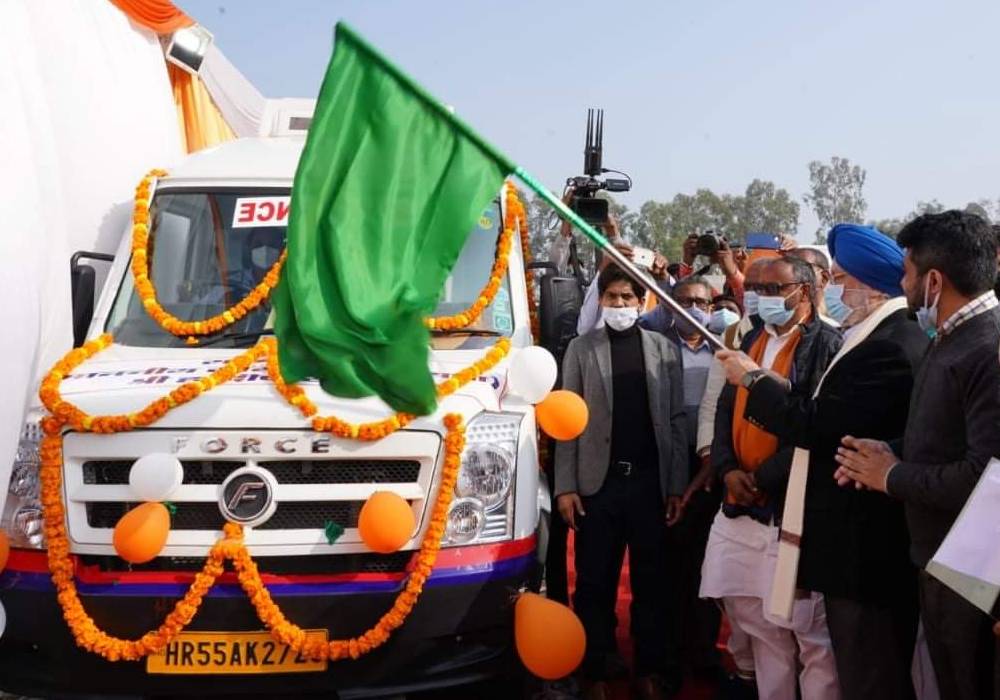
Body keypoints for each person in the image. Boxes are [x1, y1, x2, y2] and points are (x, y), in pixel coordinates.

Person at [717, 223, 928, 699]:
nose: (832, 289)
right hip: (853, 548)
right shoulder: (875, 336)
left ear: (868, 286)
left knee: (869, 674)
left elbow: (818, 424)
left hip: (864, 552)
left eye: (838, 279)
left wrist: (753, 381)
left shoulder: (890, 346)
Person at [833, 210, 1000, 700]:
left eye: (904, 272)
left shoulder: (987, 349)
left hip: (975, 570)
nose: (900, 283)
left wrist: (892, 476)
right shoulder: (949, 335)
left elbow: (985, 477)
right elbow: (943, 438)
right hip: (940, 560)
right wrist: (888, 453)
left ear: (933, 280)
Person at [700, 255, 842, 700]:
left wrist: (761, 476)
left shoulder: (827, 345)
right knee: (759, 626)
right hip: (740, 501)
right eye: (757, 288)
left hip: (789, 506)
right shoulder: (754, 338)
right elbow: (726, 408)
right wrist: (726, 469)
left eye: (775, 289)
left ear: (806, 290)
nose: (764, 297)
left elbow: (811, 426)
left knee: (810, 635)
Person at [554, 264, 688, 700]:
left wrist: (675, 485)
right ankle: (595, 669)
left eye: (628, 298)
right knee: (594, 582)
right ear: (601, 301)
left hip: (650, 485)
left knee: (652, 582)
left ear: (641, 301)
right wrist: (566, 486)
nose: (620, 306)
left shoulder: (665, 350)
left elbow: (676, 419)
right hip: (599, 487)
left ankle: (649, 669)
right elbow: (566, 422)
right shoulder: (580, 349)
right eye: (612, 297)